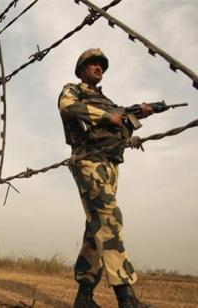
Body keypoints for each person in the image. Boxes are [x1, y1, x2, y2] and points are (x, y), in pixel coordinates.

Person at [58, 48, 155, 308]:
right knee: (110, 220)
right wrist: (107, 116)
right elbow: (67, 107)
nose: (99, 68)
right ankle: (127, 299)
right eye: (93, 64)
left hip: (110, 165)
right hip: (88, 160)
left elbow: (117, 128)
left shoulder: (110, 102)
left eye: (102, 65)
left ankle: (84, 297)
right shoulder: (73, 90)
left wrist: (135, 124)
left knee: (96, 228)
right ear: (81, 70)